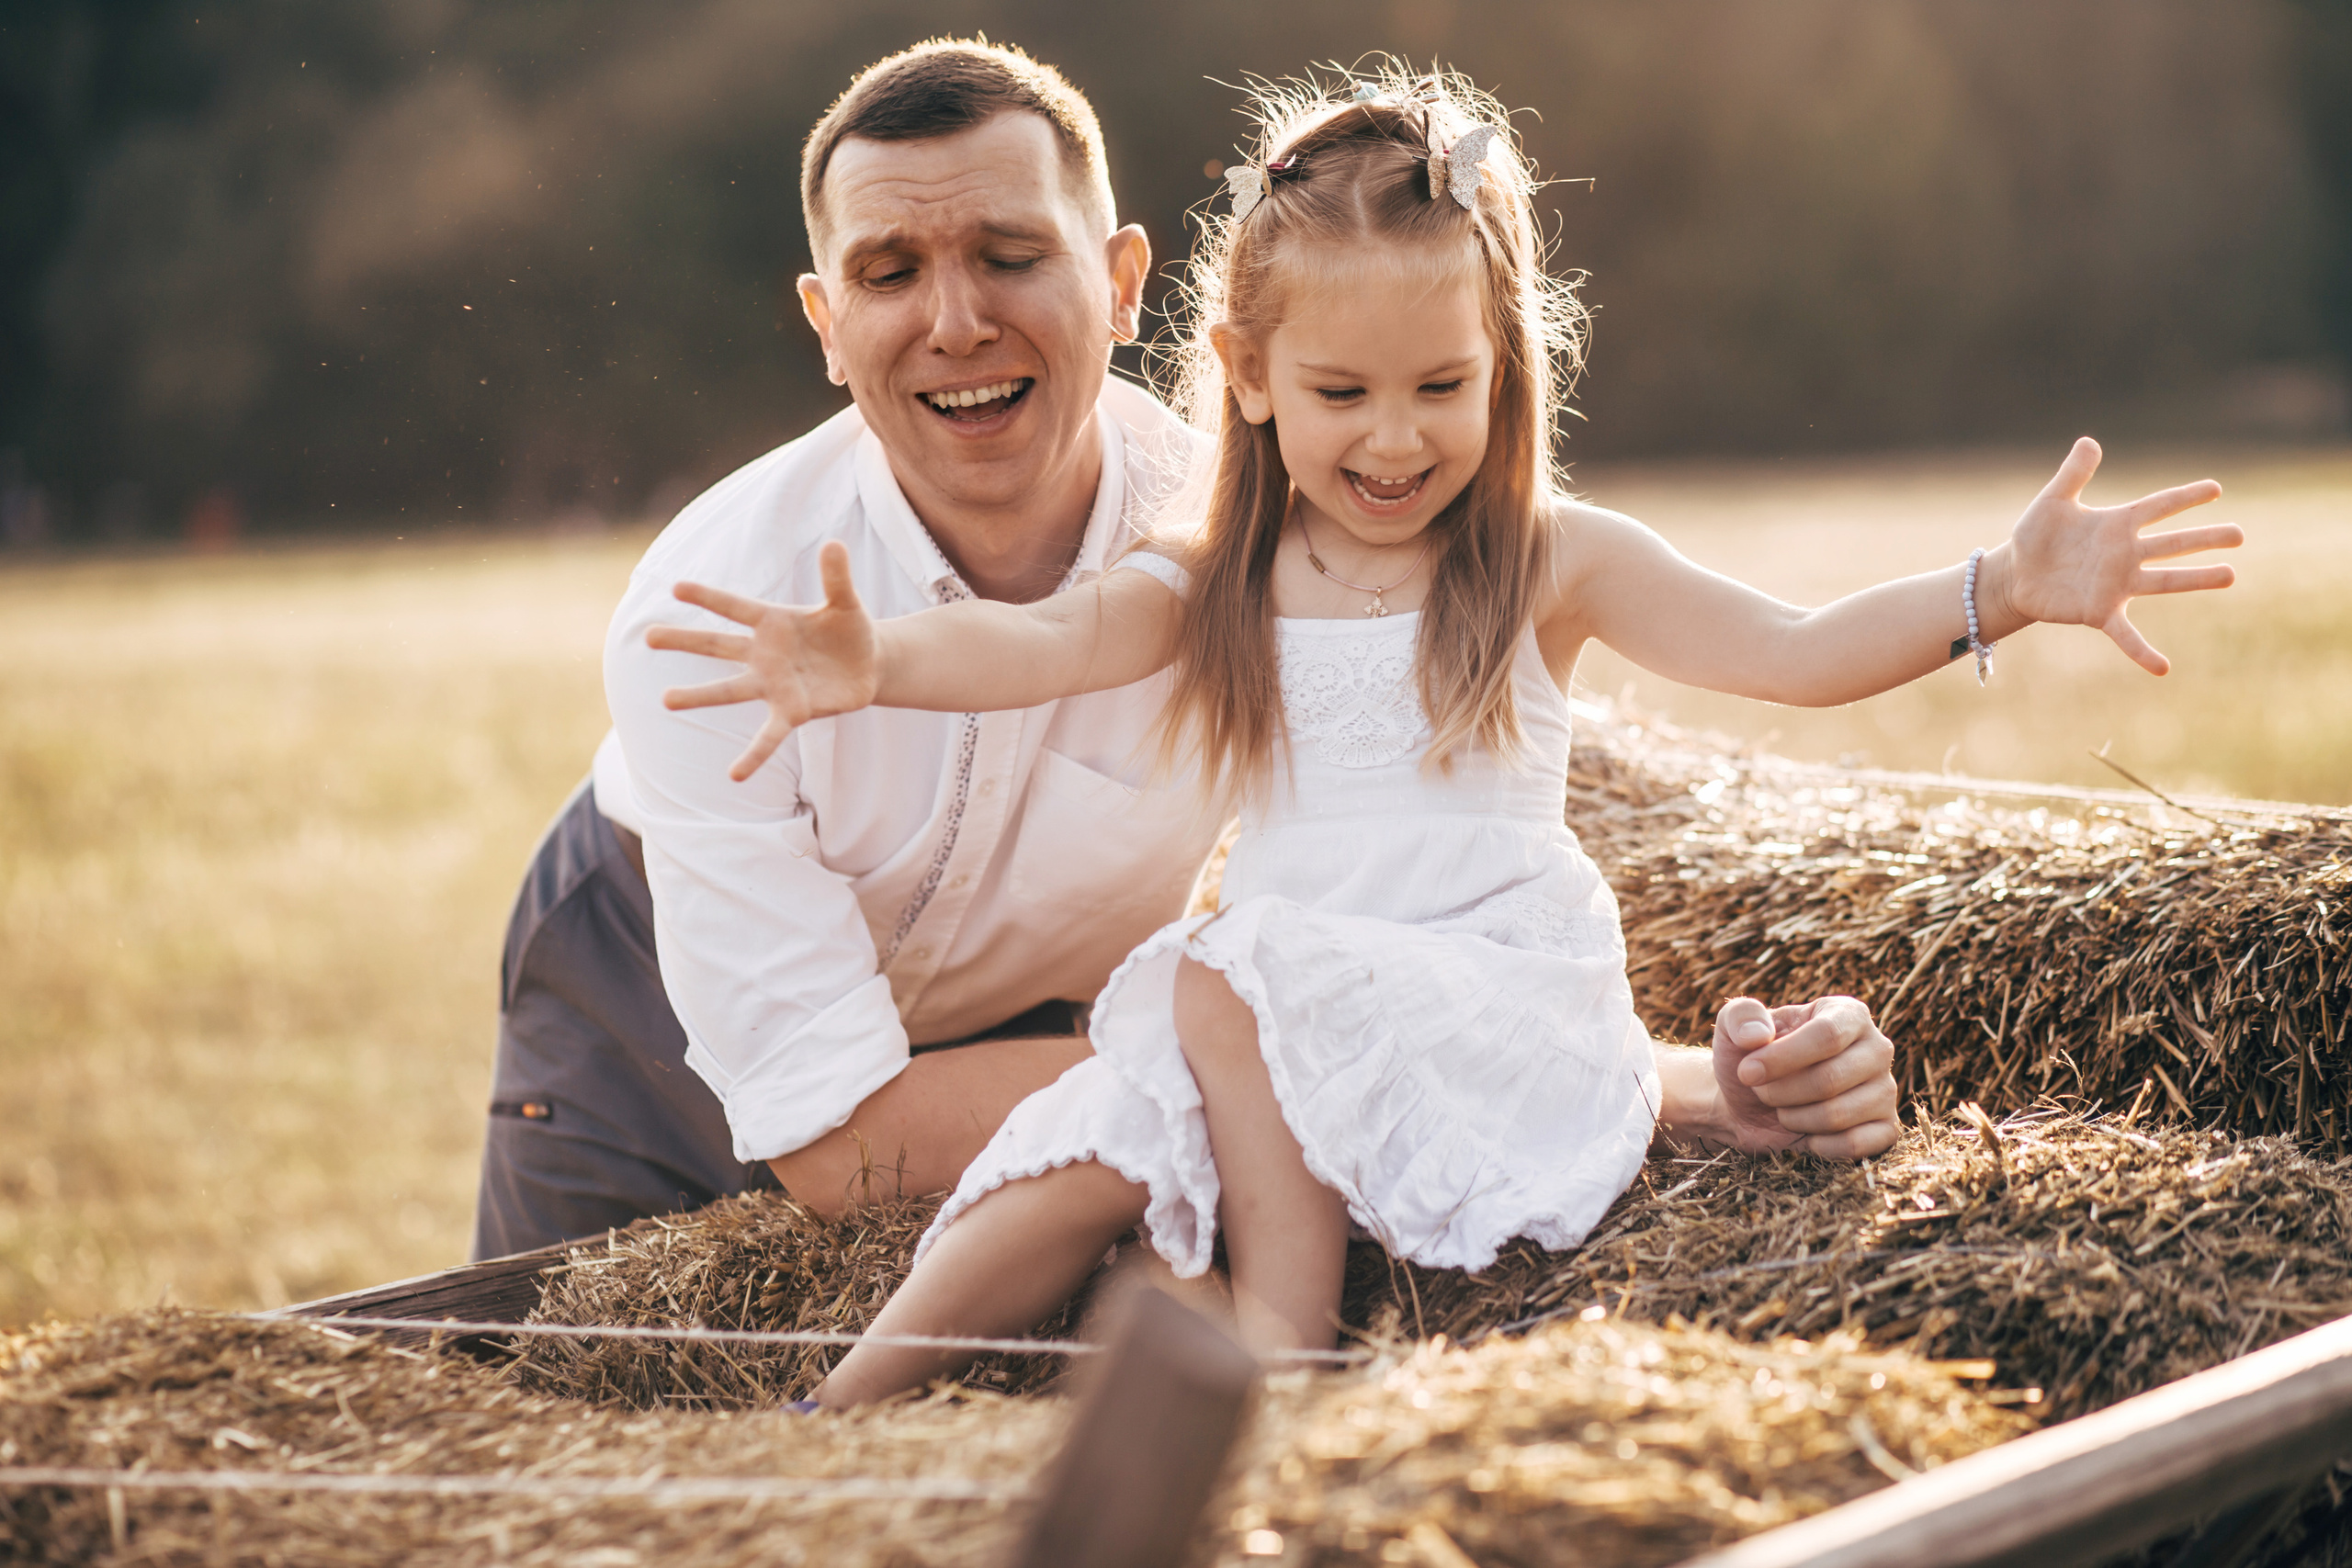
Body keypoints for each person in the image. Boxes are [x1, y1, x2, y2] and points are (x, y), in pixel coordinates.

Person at [647, 67, 2239, 1403]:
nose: (1396, 440)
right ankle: (835, 1408)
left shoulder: (1551, 557)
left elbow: (1798, 652)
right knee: (1071, 1151)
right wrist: (879, 664)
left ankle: (1278, 1339)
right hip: (1284, 1014)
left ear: (1507, 367)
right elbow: (1044, 643)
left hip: (1476, 983)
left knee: (1224, 966)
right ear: (1249, 379)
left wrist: (2000, 589)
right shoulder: (1216, 571)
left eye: (1443, 386)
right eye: (1343, 391)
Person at [476, 39, 1905, 1261]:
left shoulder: (1260, 549)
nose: (958, 318)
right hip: (642, 1008)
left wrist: (1689, 1088)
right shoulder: (717, 614)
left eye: (1011, 255)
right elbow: (844, 1152)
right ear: (827, 323)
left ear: (1121, 280)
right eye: (891, 270)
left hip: (1040, 1017)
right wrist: (1280, 1072)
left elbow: (1394, 942)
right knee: (536, 1423)